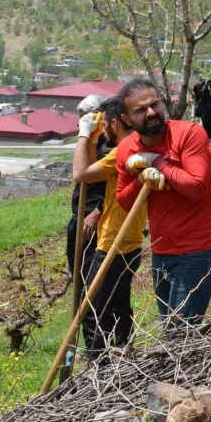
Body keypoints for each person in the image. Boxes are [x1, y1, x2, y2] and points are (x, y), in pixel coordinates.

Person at [114, 79, 211, 332]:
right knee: (172, 331)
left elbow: (197, 188)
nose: (151, 112)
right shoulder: (127, 149)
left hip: (197, 252)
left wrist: (156, 162)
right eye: (140, 110)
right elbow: (124, 201)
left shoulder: (189, 134)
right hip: (161, 253)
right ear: (126, 119)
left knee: (179, 334)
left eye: (154, 104)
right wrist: (142, 180)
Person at [72, 97, 144, 358]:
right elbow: (93, 172)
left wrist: (82, 136)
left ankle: (97, 372)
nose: (102, 131)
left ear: (115, 123)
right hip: (129, 241)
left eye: (104, 125)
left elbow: (80, 174)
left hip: (114, 242)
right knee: (118, 305)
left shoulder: (123, 151)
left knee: (92, 312)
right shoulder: (134, 147)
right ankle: (124, 354)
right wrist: (92, 140)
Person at [67, 94, 109, 305]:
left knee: (91, 280)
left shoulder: (109, 145)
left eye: (84, 116)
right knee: (77, 277)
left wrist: (97, 212)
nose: (80, 122)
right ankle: (80, 328)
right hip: (79, 216)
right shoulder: (88, 141)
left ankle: (94, 326)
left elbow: (115, 185)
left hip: (94, 218)